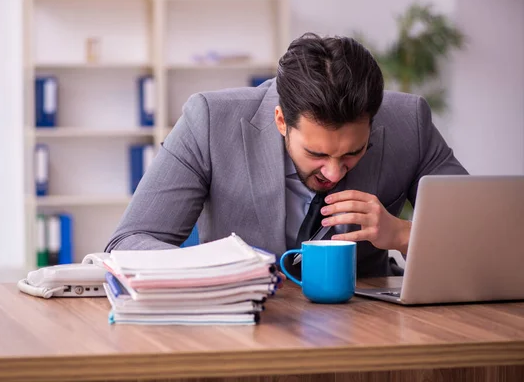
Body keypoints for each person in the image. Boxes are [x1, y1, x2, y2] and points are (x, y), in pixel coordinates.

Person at [105, 33, 467, 278]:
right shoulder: (210, 121)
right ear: (281, 121)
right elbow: (129, 241)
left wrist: (406, 234)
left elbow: (482, 232)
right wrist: (220, 264)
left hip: (368, 331)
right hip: (245, 331)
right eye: (316, 153)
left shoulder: (409, 123)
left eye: (354, 153)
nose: (335, 171)